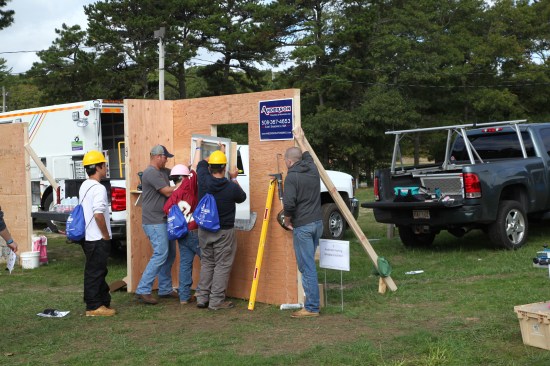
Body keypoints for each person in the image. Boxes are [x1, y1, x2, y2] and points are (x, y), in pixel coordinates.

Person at [196, 146, 246, 310]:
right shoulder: (231, 186)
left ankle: (202, 298)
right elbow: (242, 197)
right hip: (224, 231)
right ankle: (216, 301)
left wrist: (216, 150)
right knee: (222, 265)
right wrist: (233, 178)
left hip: (204, 230)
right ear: (224, 168)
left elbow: (200, 165)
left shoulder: (203, 180)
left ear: (210, 167)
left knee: (207, 263)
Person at [283, 127, 323, 318]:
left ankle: (312, 307)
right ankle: (311, 303)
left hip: (304, 227)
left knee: (307, 266)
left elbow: (289, 205)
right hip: (317, 223)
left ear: (289, 162)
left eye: (285, 162)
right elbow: (307, 154)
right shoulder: (313, 168)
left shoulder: (291, 176)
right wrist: (300, 139)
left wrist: (287, 220)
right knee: (307, 265)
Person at [135, 144, 180, 305]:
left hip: (163, 220)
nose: (167, 160)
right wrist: (182, 186)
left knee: (170, 255)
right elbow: (167, 191)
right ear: (157, 156)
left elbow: (176, 173)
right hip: (154, 221)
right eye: (165, 157)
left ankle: (165, 289)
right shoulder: (150, 173)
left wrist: (190, 169)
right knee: (161, 253)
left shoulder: (163, 172)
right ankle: (143, 289)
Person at [163, 140, 203, 304]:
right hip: (194, 230)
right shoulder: (189, 185)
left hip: (182, 234)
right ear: (185, 177)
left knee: (185, 265)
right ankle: (201, 293)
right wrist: (198, 146)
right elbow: (195, 166)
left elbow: (166, 210)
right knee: (209, 260)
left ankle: (184, 297)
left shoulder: (172, 197)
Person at [80, 150, 115, 317]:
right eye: (104, 165)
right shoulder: (99, 188)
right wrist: (106, 235)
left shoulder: (84, 186)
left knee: (98, 271)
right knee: (95, 273)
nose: (106, 168)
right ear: (99, 167)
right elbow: (98, 214)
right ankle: (94, 307)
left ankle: (102, 302)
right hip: (97, 238)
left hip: (88, 237)